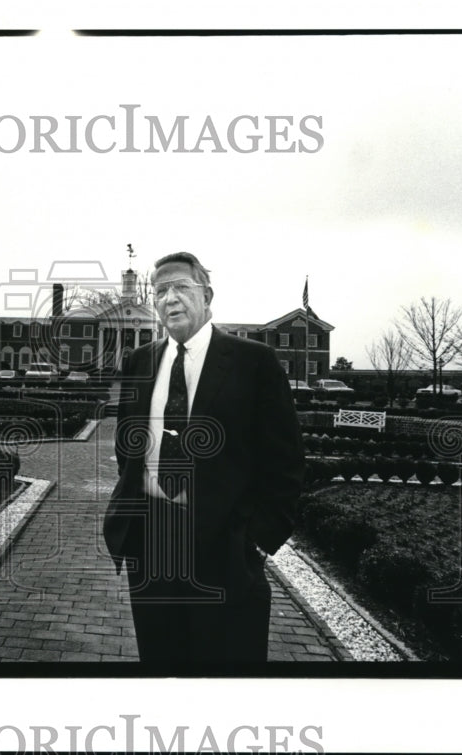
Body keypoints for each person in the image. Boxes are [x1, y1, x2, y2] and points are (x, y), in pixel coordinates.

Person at [102, 251, 305, 666]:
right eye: (160, 291)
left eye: (180, 287)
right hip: (154, 545)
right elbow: (128, 448)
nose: (169, 298)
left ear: (207, 294)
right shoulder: (139, 361)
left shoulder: (253, 362)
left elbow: (285, 461)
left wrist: (258, 540)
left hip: (225, 547)